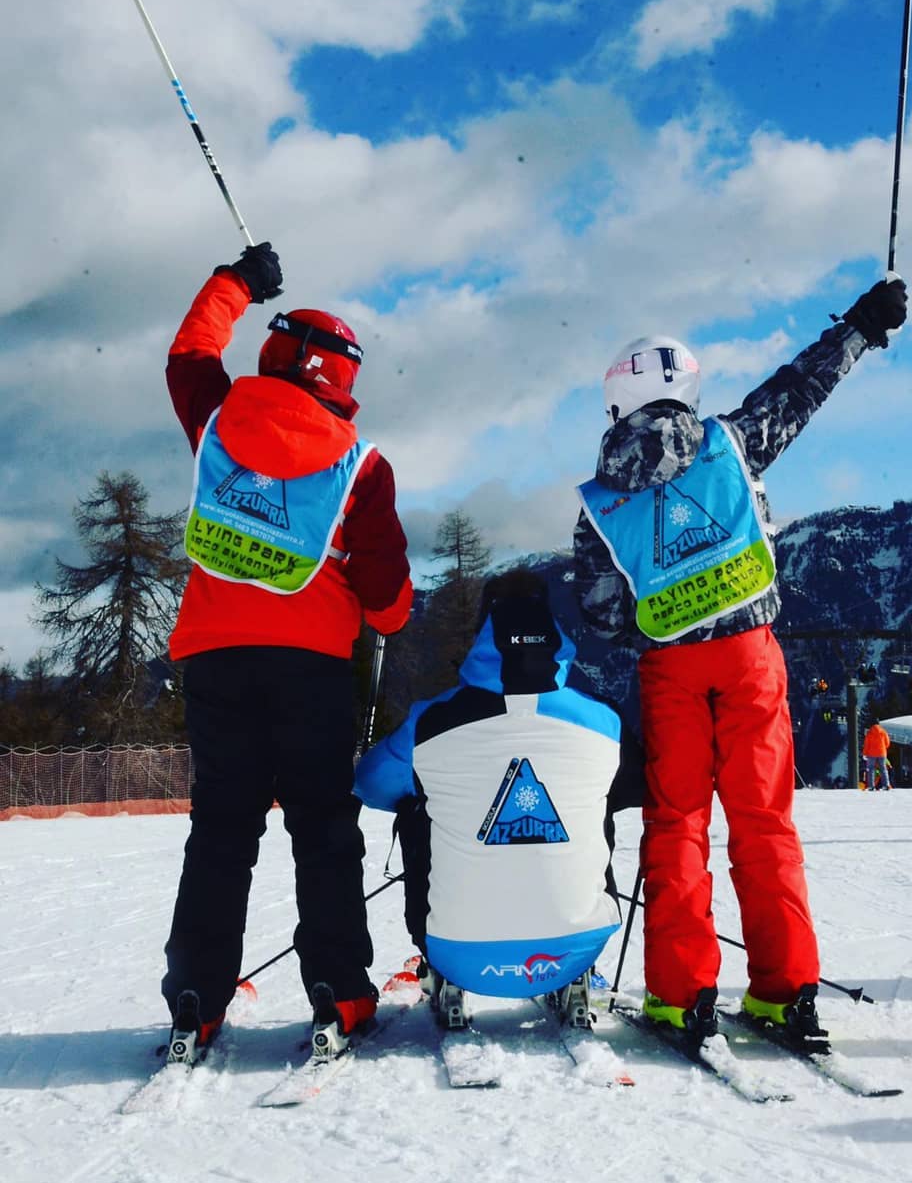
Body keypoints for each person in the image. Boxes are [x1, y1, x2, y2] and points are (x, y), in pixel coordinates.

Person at [573, 276, 908, 1051]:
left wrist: (657, 609)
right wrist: (859, 326)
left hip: (671, 670)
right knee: (764, 824)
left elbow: (599, 608)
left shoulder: (601, 500)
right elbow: (803, 388)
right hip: (753, 658)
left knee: (676, 825)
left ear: (619, 400)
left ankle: (681, 992)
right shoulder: (732, 440)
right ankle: (784, 992)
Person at [161, 242, 413, 1064]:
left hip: (215, 659)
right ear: (342, 382)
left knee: (222, 829)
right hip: (312, 671)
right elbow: (391, 606)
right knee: (322, 827)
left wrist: (236, 284)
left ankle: (197, 999)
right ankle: (339, 989)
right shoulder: (360, 468)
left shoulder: (218, 420)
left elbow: (190, 354)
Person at [352, 568, 645, 1028]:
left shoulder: (432, 722)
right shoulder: (602, 722)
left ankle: (447, 971)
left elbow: (370, 785)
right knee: (595, 799)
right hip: (577, 946)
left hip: (454, 948)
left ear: (482, 634)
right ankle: (572, 959)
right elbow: (641, 786)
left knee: (417, 803)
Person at [862, 722, 892, 791]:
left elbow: (866, 744)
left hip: (871, 754)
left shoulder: (869, 733)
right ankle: (886, 785)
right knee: (883, 769)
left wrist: (864, 753)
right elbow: (887, 743)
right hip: (882, 753)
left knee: (871, 769)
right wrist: (883, 748)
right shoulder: (883, 732)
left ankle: (871, 786)